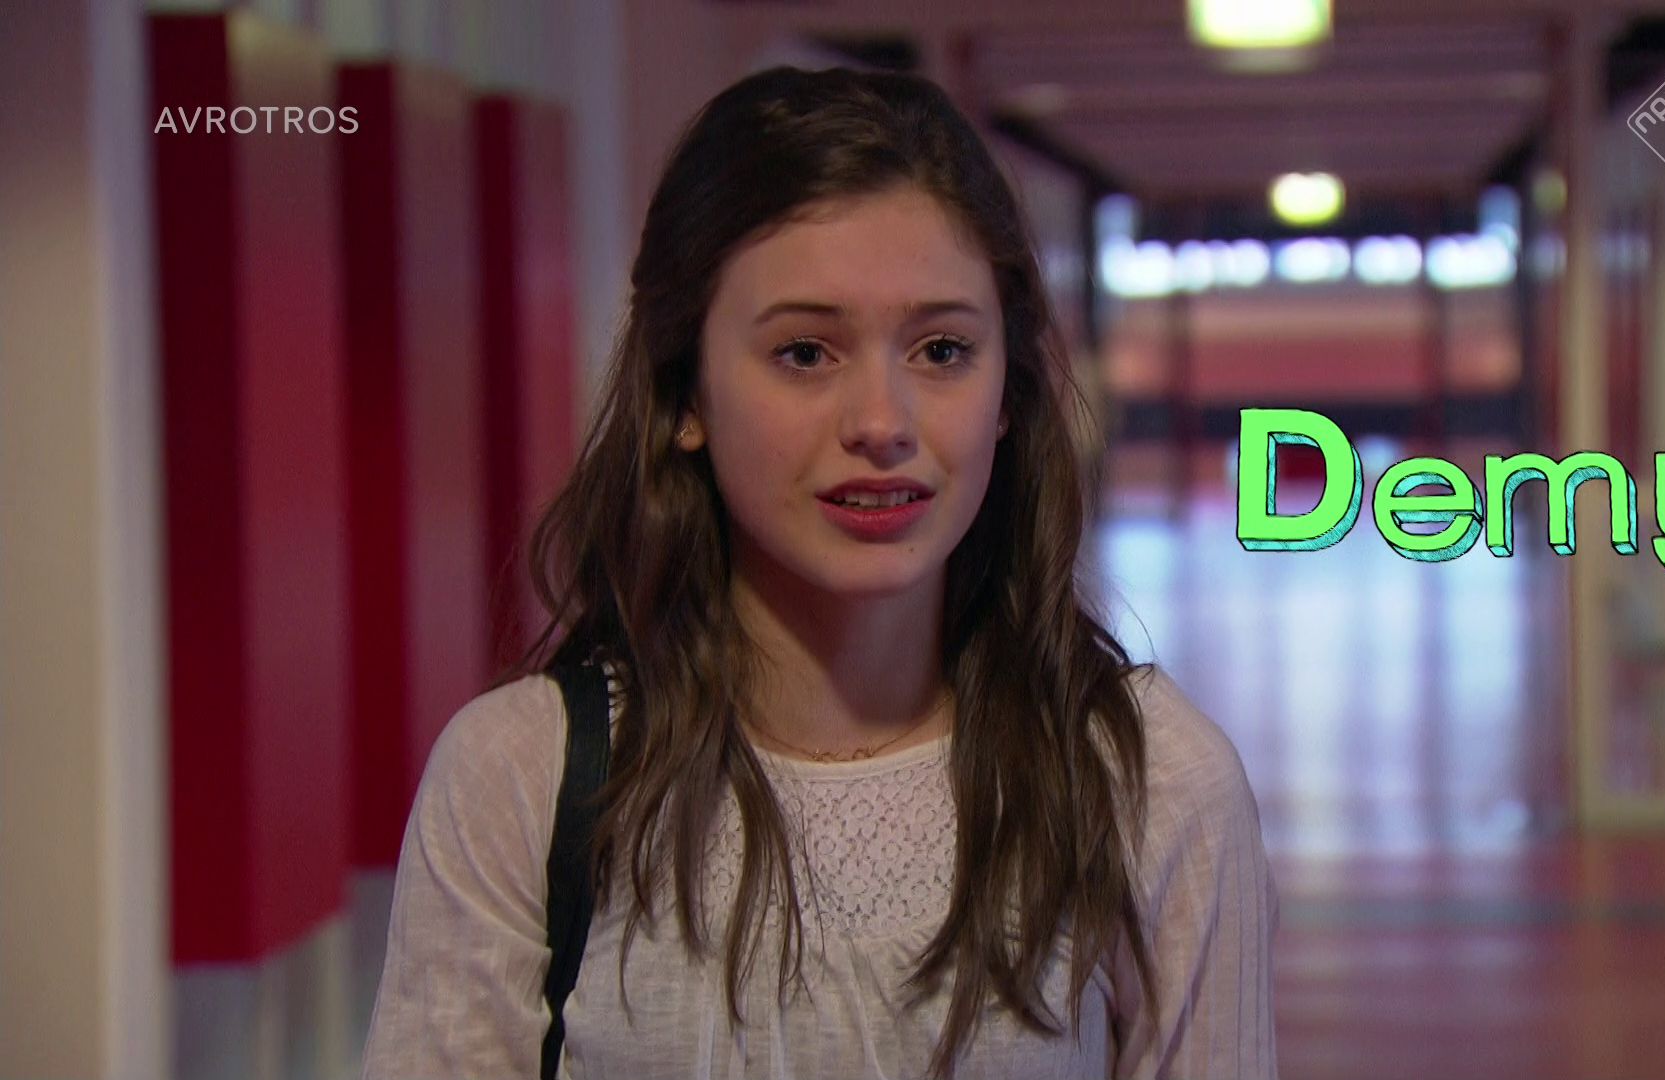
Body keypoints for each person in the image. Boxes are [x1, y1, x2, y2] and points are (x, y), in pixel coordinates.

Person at [360, 65, 1278, 1080]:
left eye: (941, 349)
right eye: (805, 353)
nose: (882, 423)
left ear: (1007, 396)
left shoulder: (1147, 783)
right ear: (685, 395)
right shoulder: (522, 779)